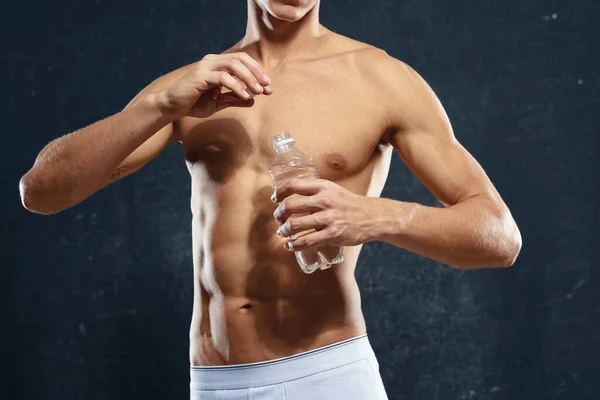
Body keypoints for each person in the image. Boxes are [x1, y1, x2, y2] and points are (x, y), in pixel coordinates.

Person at [19, 0, 522, 398]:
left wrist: (376, 216)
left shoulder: (380, 80)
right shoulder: (191, 88)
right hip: (215, 383)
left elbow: (498, 236)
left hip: (327, 376)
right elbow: (40, 192)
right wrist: (159, 106)